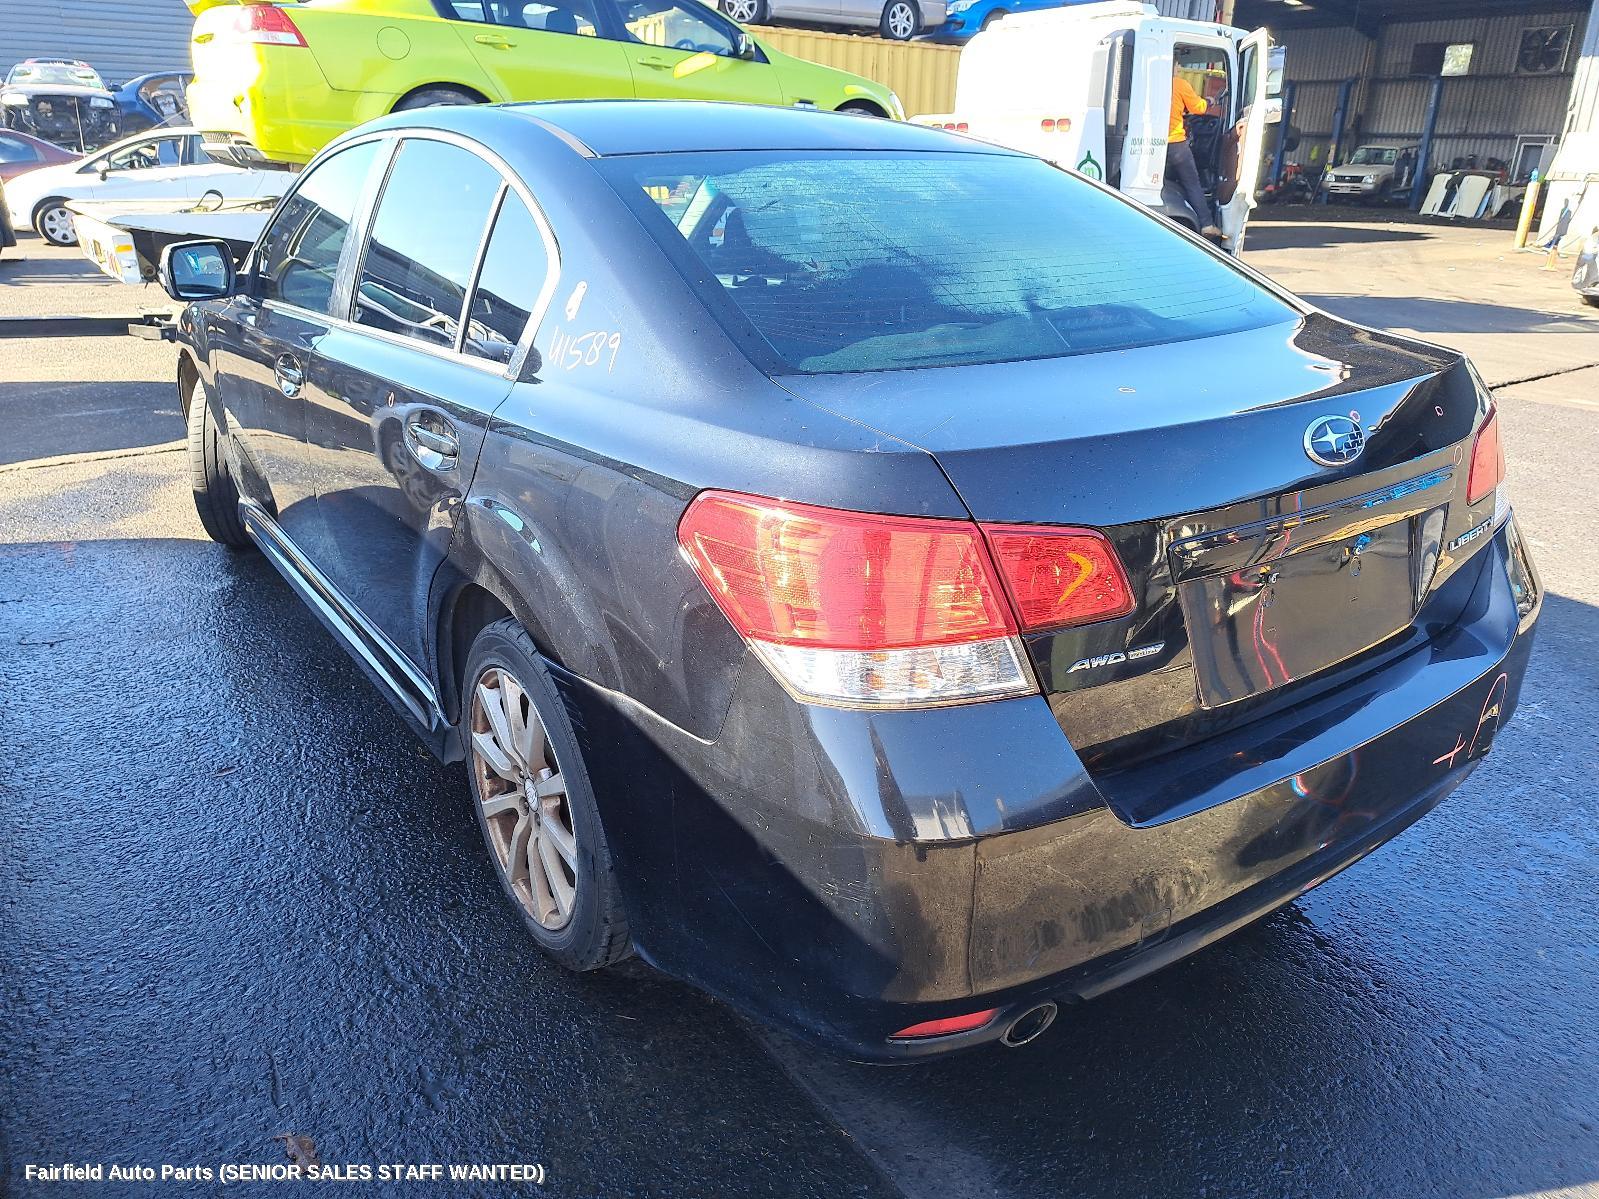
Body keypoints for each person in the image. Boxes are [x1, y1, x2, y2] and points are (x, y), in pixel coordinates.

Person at [1168, 71, 1222, 239]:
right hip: (1175, 143)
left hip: (1151, 144)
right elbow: (1198, 108)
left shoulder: (1148, 83)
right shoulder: (1178, 83)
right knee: (1192, 183)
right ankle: (1207, 224)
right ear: (1174, 64)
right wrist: (1210, 101)